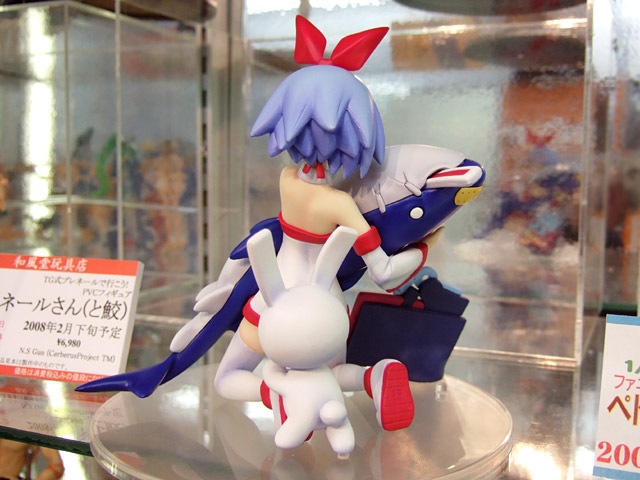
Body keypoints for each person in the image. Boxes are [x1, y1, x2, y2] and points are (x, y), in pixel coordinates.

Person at [214, 16, 430, 431]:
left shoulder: (287, 180)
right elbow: (384, 272)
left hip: (275, 302)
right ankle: (374, 376)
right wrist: (421, 249)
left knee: (227, 378)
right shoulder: (341, 205)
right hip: (327, 307)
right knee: (330, 373)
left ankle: (279, 396)